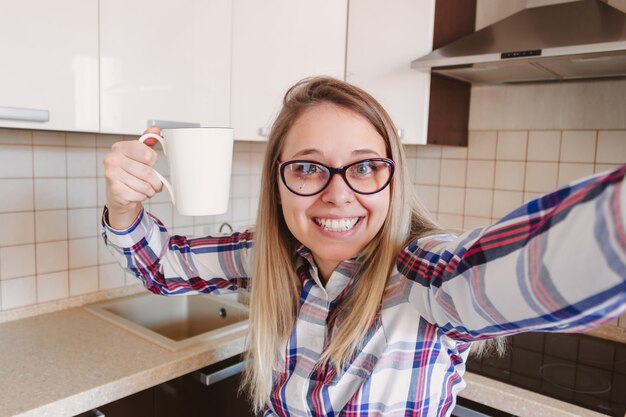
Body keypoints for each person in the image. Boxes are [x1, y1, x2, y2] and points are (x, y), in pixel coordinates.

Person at [102, 76, 626, 417]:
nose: (338, 194)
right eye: (307, 167)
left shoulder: (425, 275)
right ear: (277, 184)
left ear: (392, 178)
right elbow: (161, 265)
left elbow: (545, 266)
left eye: (365, 167)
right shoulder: (272, 253)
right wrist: (124, 205)